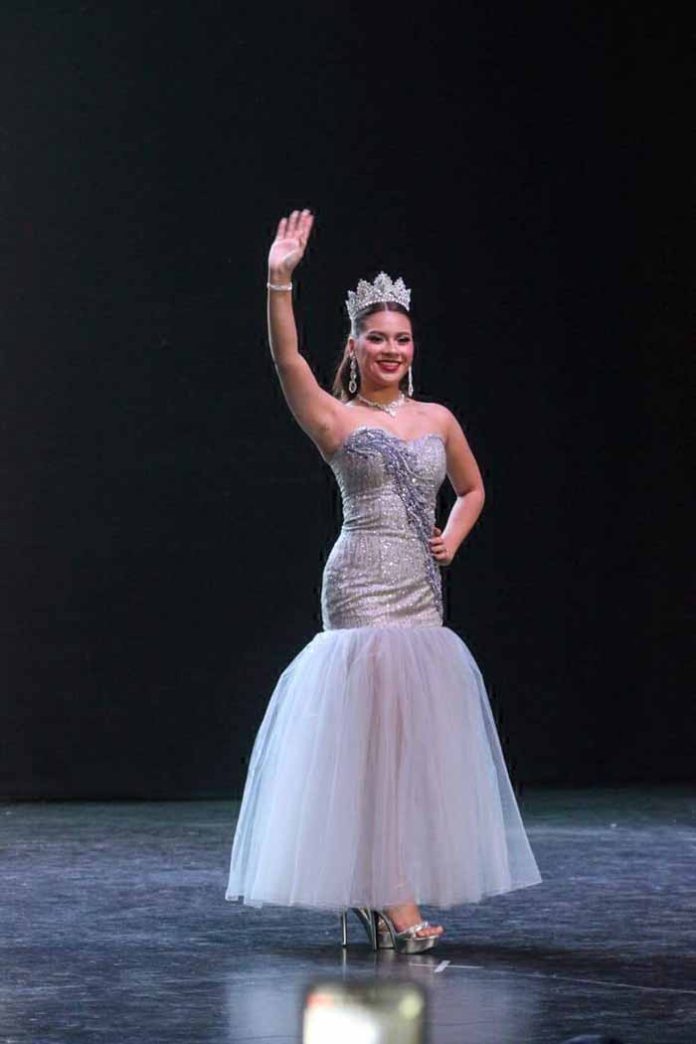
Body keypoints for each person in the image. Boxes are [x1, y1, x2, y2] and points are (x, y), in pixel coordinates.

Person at [225, 208, 542, 954]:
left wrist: (452, 537)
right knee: (371, 750)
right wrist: (278, 280)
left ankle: (378, 887)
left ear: (413, 347)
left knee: (409, 754)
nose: (391, 349)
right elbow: (286, 360)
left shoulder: (438, 418)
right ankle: (391, 897)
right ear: (355, 346)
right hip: (361, 588)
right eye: (377, 338)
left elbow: (472, 489)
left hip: (421, 594)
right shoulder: (334, 418)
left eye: (401, 338)